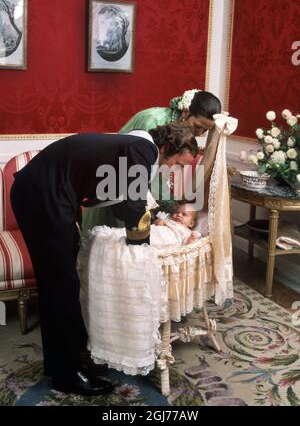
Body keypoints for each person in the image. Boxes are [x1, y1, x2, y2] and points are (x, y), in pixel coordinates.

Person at [10, 124, 197, 397]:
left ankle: (64, 362)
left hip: (45, 193)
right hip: (43, 195)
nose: (174, 170)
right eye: (177, 164)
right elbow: (133, 205)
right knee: (61, 285)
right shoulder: (143, 149)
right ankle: (66, 374)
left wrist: (151, 224)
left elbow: (122, 202)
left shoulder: (130, 146)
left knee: (59, 282)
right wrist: (142, 247)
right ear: (167, 148)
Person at [82, 89, 222, 236]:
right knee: (109, 237)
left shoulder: (181, 133)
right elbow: (138, 174)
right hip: (118, 181)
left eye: (205, 130)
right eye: (199, 127)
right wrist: (170, 205)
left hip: (135, 189)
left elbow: (160, 176)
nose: (199, 134)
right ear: (186, 113)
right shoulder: (152, 121)